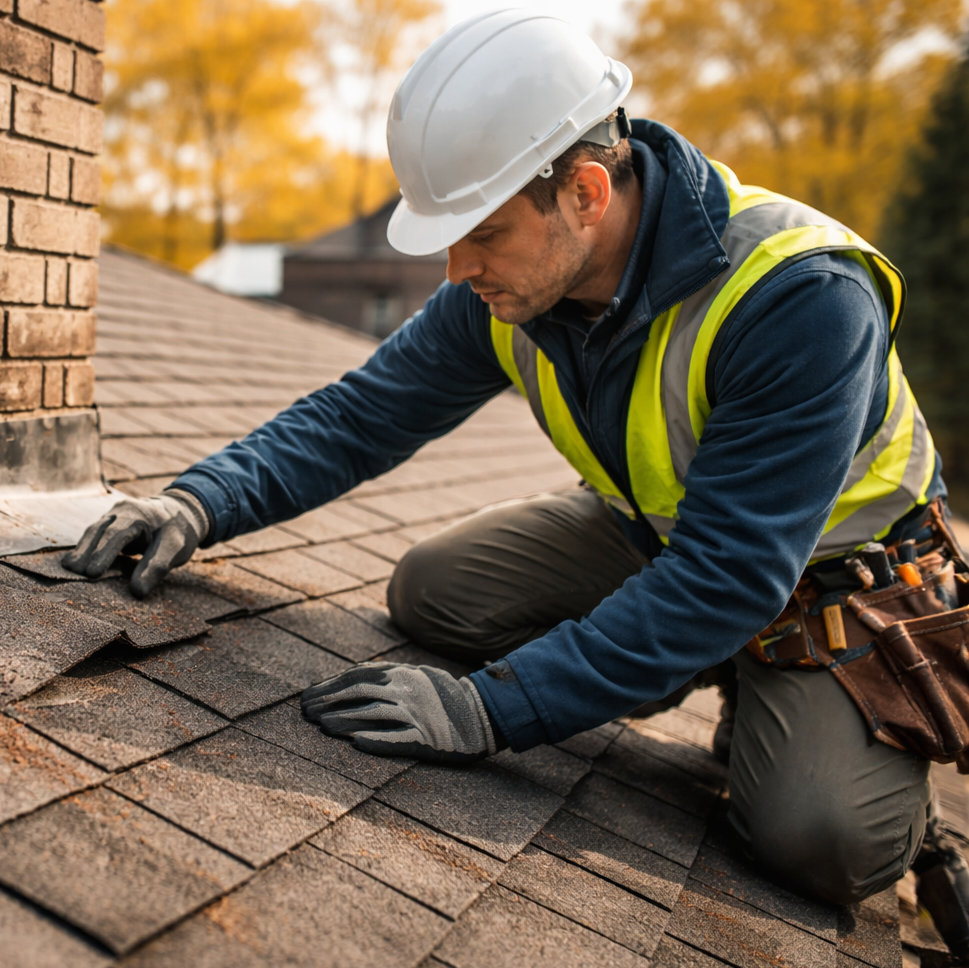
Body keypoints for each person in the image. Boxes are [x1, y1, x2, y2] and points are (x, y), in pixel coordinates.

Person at [63, 8, 965, 917]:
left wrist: (491, 711)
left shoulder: (800, 299)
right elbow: (364, 413)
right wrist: (198, 502)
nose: (458, 270)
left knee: (824, 841)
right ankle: (696, 662)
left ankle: (862, 768)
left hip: (833, 586)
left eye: (483, 234)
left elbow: (730, 576)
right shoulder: (515, 283)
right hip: (661, 538)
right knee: (434, 593)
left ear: (585, 193)